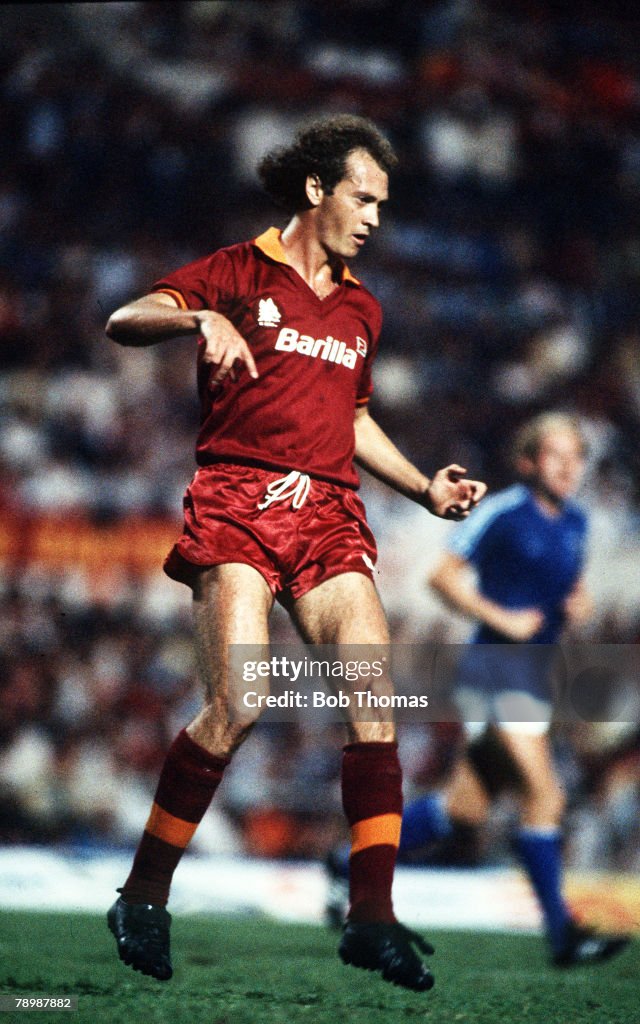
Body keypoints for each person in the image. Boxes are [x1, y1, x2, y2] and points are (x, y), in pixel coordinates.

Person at [104, 114, 486, 991]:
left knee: (374, 701)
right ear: (317, 190)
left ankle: (372, 919)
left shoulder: (362, 307)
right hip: (239, 497)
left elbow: (350, 420)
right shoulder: (236, 271)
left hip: (328, 512)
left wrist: (426, 487)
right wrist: (196, 317)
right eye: (365, 197)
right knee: (241, 701)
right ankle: (143, 898)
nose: (377, 218)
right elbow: (125, 318)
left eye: (385, 204)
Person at [396, 412, 631, 966]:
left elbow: (564, 590)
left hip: (534, 676)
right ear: (528, 463)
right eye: (556, 455)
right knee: (545, 796)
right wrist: (500, 617)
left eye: (577, 456)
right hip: (494, 668)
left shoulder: (577, 524)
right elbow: (442, 577)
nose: (570, 466)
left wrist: (578, 604)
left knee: (464, 813)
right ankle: (562, 934)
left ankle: (345, 861)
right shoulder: (502, 513)